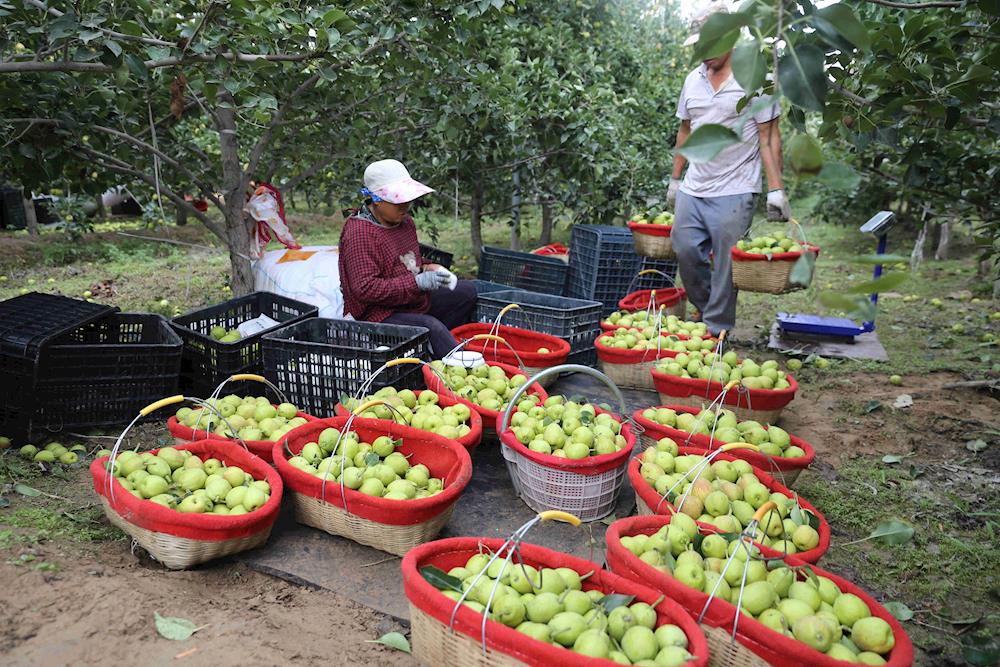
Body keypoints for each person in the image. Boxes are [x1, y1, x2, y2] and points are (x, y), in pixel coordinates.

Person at [666, 3, 790, 337]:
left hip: (735, 188)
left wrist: (777, 189)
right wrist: (675, 179)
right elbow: (685, 130)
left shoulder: (757, 77)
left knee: (725, 264)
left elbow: (769, 136)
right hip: (695, 186)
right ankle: (707, 310)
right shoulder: (692, 80)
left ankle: (717, 330)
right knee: (685, 249)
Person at [338, 159, 477, 357]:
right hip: (377, 314)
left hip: (409, 300)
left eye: (407, 199)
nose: (405, 205)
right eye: (397, 200)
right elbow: (365, 289)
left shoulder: (405, 223)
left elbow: (408, 261)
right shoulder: (359, 233)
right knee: (430, 328)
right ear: (376, 199)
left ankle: (436, 346)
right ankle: (445, 356)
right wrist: (417, 283)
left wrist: (430, 268)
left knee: (466, 292)